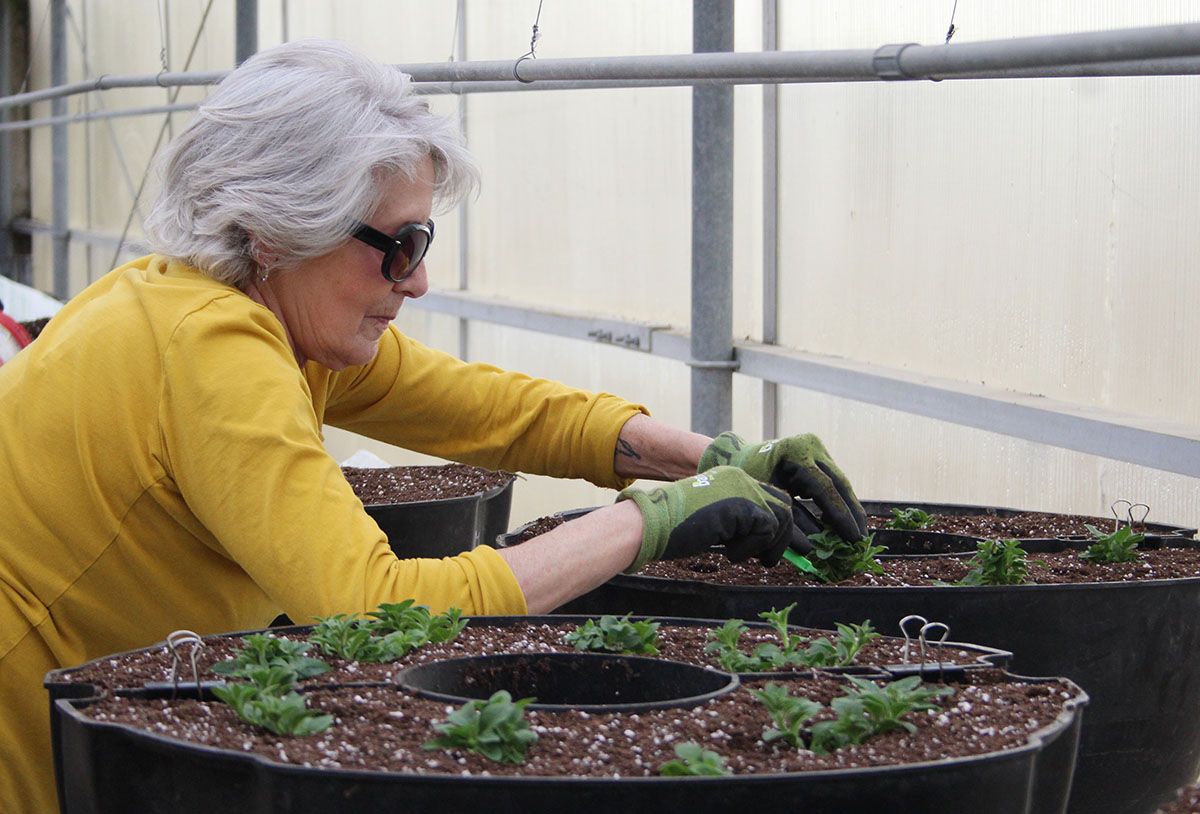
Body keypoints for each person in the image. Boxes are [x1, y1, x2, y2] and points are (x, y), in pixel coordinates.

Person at [0, 40, 867, 812]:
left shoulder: (248, 312)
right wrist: (654, 521)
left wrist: (712, 455)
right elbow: (372, 609)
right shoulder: (211, 350)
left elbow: (497, 410)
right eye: (398, 244)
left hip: (87, 707)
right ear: (275, 229)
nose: (415, 281)